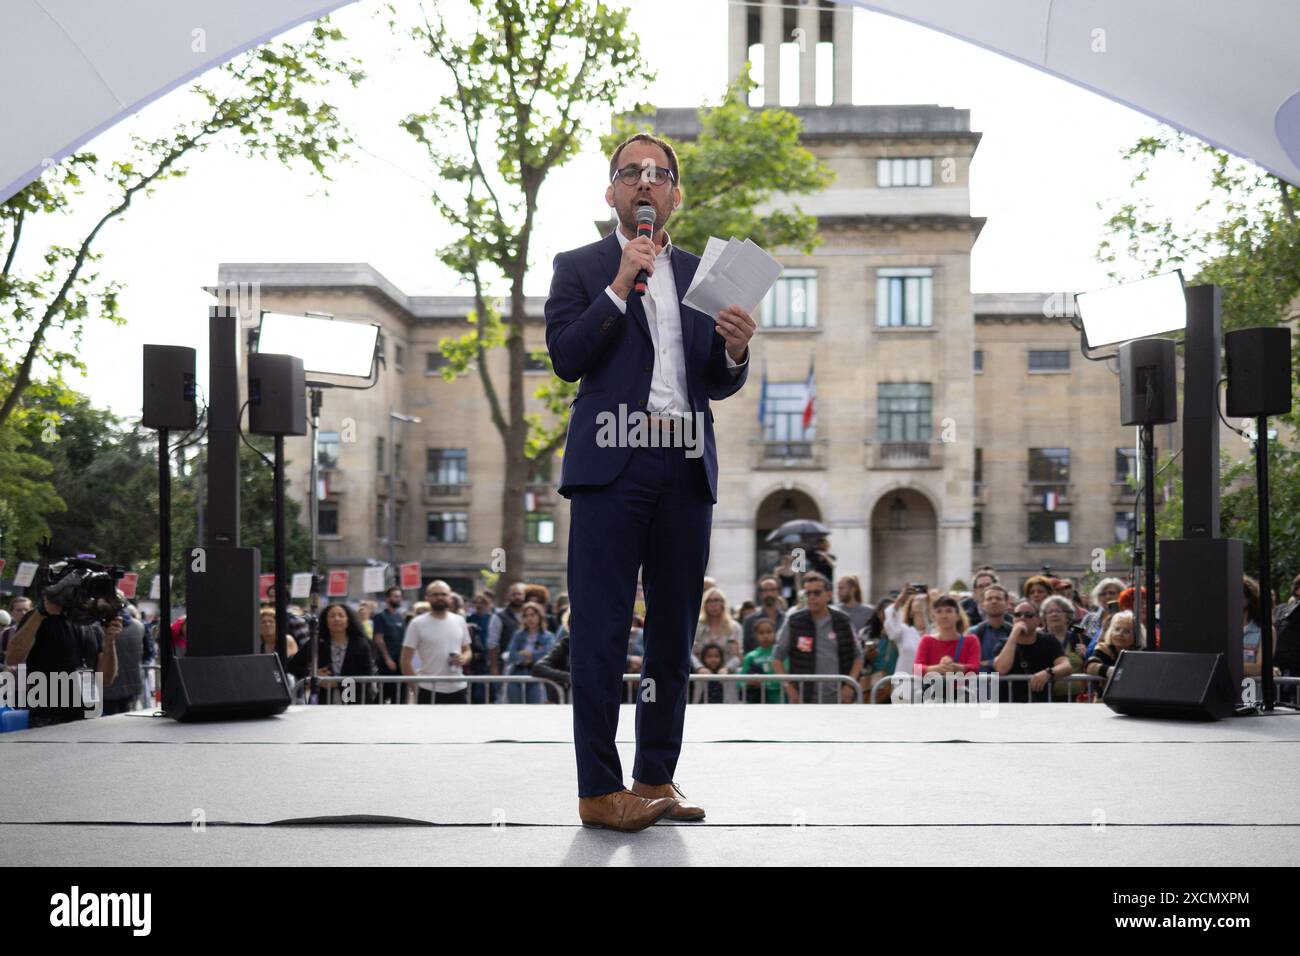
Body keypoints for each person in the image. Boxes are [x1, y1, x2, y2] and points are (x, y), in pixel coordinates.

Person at [545, 131, 753, 831]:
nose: (645, 182)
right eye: (630, 172)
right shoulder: (578, 267)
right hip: (612, 464)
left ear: (675, 195)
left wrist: (734, 348)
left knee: (671, 637)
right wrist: (616, 288)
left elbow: (715, 384)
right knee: (602, 631)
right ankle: (599, 790)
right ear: (612, 193)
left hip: (684, 463)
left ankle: (655, 776)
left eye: (659, 173)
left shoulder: (703, 275)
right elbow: (567, 359)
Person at [4, 594, 121, 726]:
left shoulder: (92, 622)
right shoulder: (39, 617)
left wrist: (110, 642)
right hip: (49, 718)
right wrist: (41, 612)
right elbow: (13, 658)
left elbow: (106, 679)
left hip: (88, 716)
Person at [772, 572, 862, 704]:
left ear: (829, 595)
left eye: (817, 593)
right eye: (808, 594)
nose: (812, 597)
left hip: (839, 700)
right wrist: (789, 688)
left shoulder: (843, 620)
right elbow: (777, 658)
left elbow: (858, 656)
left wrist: (850, 685)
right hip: (804, 700)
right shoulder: (794, 621)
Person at [288, 602, 377, 704]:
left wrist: (338, 683)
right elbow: (292, 665)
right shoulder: (317, 643)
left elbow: (367, 674)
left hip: (354, 701)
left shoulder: (360, 643)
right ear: (326, 621)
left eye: (341, 615)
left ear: (348, 620)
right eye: (332, 616)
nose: (337, 619)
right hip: (324, 701)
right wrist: (311, 673)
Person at [401, 581, 472, 704]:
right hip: (428, 689)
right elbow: (405, 661)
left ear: (450, 597)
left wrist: (463, 658)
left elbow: (467, 650)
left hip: (459, 688)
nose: (440, 597)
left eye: (444, 594)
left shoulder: (459, 620)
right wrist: (415, 687)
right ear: (427, 597)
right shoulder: (417, 623)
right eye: (435, 594)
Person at [993, 600, 1070, 703]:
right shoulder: (1003, 644)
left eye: (1028, 615)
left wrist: (1048, 672)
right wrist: (1014, 635)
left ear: (1038, 620)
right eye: (1017, 615)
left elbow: (1066, 666)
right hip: (1009, 707)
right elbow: (1001, 669)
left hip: (1040, 706)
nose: (1022, 618)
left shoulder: (1049, 640)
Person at [912, 595, 980, 699]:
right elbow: (916, 669)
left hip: (962, 697)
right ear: (933, 617)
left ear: (957, 615)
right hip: (932, 696)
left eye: (948, 611)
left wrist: (953, 667)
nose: (944, 615)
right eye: (939, 611)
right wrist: (938, 668)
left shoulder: (971, 640)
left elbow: (975, 668)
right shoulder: (926, 640)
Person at [882, 586, 929, 702]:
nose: (920, 600)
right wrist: (899, 601)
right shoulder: (904, 631)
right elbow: (891, 625)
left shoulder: (935, 632)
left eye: (924, 599)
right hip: (905, 687)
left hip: (930, 686)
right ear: (911, 609)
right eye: (916, 599)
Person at [505, 601, 557, 703]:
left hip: (537, 674)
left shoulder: (548, 636)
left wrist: (531, 655)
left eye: (532, 615)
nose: (529, 618)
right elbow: (511, 654)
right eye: (526, 616)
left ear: (539, 616)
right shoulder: (518, 635)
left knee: (535, 707)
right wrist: (522, 659)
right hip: (516, 674)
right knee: (514, 708)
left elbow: (548, 654)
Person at [1039, 594, 1088, 700]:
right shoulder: (1038, 638)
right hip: (1044, 698)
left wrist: (1086, 655)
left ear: (1068, 616)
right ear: (1044, 618)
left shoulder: (1080, 638)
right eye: (1050, 612)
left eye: (1058, 611)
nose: (1054, 614)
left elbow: (1091, 664)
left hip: (1076, 698)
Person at [102, 605, 149, 715]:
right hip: (132, 684)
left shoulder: (98, 627)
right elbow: (148, 653)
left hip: (107, 687)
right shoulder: (139, 625)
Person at [487, 582, 525, 702]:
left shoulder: (532, 614)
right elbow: (493, 644)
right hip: (506, 668)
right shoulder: (498, 617)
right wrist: (494, 669)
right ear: (508, 596)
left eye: (520, 594)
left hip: (528, 668)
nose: (517, 597)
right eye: (514, 594)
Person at [1085, 611, 1141, 689]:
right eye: (1117, 629)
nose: (1120, 634)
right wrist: (1111, 671)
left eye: (1126, 631)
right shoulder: (1103, 648)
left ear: (1135, 635)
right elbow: (1090, 666)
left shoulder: (1139, 653)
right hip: (1104, 698)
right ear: (1111, 631)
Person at [692, 587, 742, 673]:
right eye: (709, 601)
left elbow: (738, 655)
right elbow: (690, 653)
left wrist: (727, 668)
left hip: (727, 679)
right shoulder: (697, 626)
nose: (713, 604)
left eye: (716, 600)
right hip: (702, 679)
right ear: (704, 604)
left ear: (723, 603)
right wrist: (699, 668)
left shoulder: (734, 627)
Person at [971, 584, 1013, 673]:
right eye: (989, 599)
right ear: (982, 605)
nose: (994, 601)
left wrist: (986, 663)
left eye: (998, 598)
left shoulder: (1014, 632)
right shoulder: (972, 633)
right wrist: (992, 663)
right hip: (980, 685)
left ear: (1006, 604)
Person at [740, 617, 783, 704]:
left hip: (778, 701)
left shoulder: (781, 654)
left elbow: (786, 677)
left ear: (775, 633)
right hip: (756, 703)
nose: (765, 636)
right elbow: (740, 681)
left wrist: (765, 684)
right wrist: (749, 683)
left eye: (769, 632)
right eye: (761, 633)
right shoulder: (750, 657)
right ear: (755, 635)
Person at [1081, 577, 1126, 659]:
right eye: (1103, 594)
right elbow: (1080, 640)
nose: (1107, 597)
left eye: (1112, 593)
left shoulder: (1126, 618)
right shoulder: (1089, 618)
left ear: (1121, 594)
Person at [742, 577, 787, 654]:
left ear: (778, 592)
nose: (769, 594)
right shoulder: (749, 621)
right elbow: (747, 650)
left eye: (772, 590)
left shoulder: (786, 619)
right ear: (760, 594)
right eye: (765, 590)